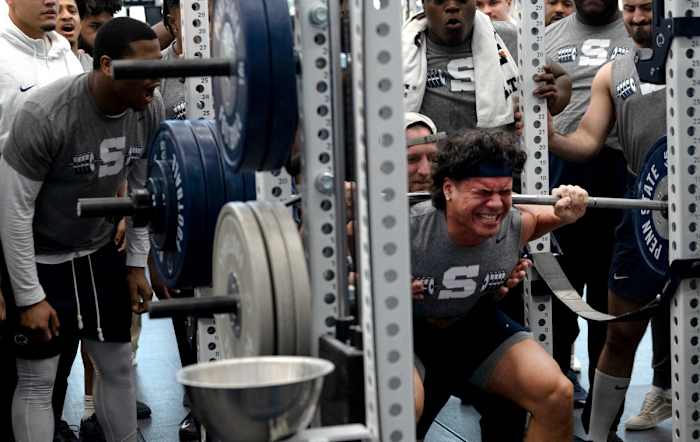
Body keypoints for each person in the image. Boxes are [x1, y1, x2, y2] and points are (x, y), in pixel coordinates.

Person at [0, 17, 164, 442]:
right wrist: (29, 294)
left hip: (97, 249)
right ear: (107, 65)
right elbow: (14, 210)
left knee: (117, 363)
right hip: (40, 254)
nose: (156, 79)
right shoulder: (45, 113)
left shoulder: (150, 107)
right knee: (39, 378)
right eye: (144, 68)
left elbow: (143, 192)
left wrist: (135, 265)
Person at [540, 0, 670, 438]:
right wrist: (549, 133)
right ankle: (598, 436)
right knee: (620, 331)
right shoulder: (614, 72)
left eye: (646, 9)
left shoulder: (690, 61)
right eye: (630, 8)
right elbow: (588, 141)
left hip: (688, 206)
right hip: (638, 207)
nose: (638, 18)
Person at [411, 129, 590, 441]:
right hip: (409, 334)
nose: (495, 205)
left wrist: (569, 208)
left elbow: (552, 215)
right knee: (400, 410)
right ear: (449, 188)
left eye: (504, 192)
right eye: (482, 193)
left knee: (556, 393)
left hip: (473, 327)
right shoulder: (409, 228)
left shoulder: (515, 226)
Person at [544, 0, 635, 426]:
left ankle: (602, 426)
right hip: (560, 169)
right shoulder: (548, 36)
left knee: (610, 304)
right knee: (557, 303)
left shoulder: (637, 34)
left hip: (623, 172)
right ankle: (552, 406)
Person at [402, 0, 571, 137]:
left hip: (497, 170)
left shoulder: (507, 38)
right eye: (440, 0)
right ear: (424, 5)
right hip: (429, 173)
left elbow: (562, 78)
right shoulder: (402, 52)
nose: (452, 6)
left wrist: (551, 100)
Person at [56, 0, 91, 70]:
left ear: (81, 22)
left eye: (72, 11)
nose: (66, 16)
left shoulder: (95, 68)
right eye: (57, 11)